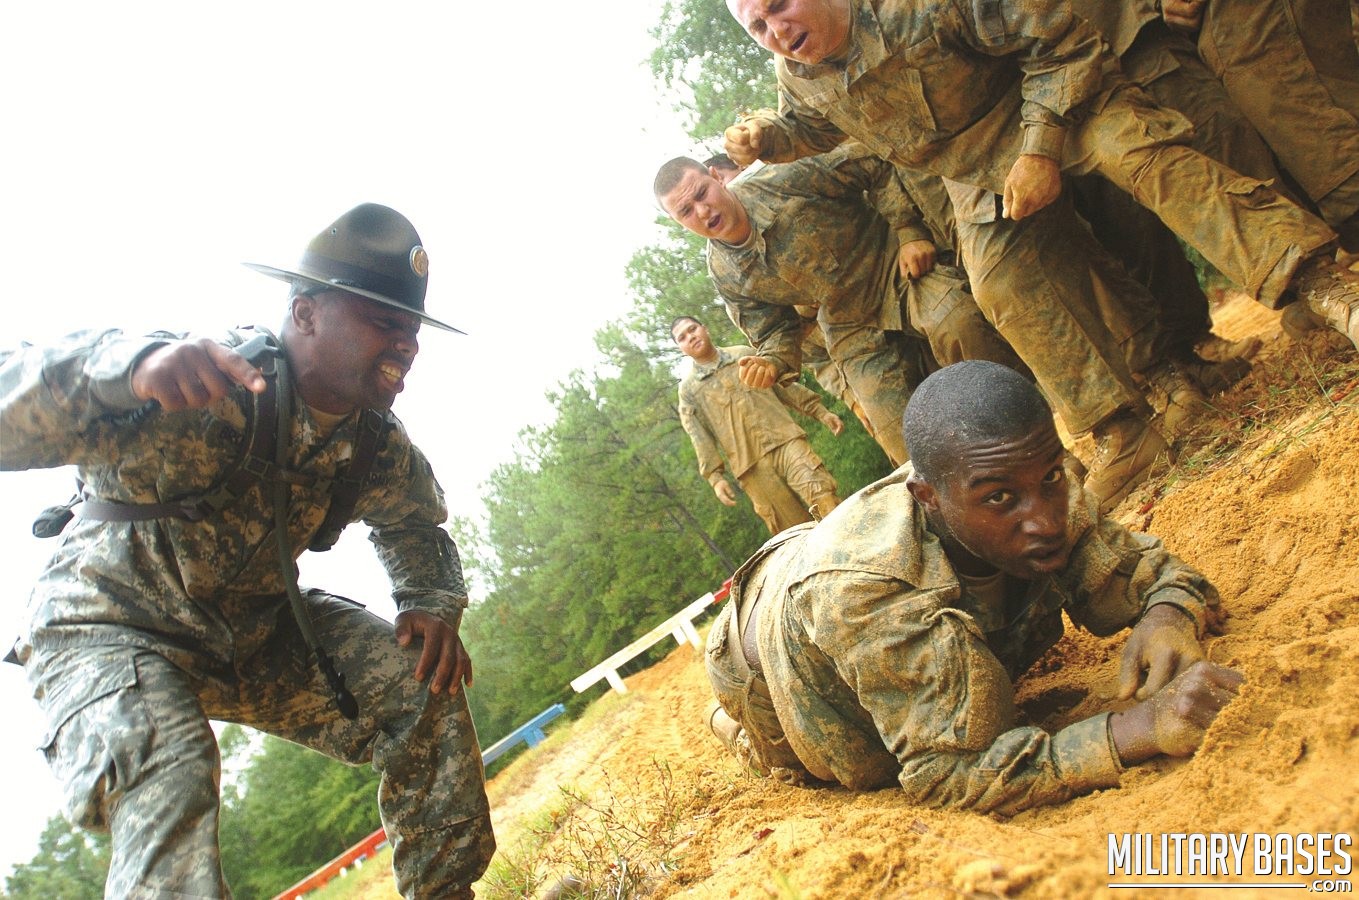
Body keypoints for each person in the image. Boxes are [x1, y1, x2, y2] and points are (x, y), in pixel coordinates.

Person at [0, 204, 494, 898]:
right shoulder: (199, 383)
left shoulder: (375, 442)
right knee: (169, 767)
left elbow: (416, 527)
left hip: (255, 634)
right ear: (304, 314)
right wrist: (128, 370)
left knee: (422, 686)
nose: (406, 343)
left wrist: (428, 602)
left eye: (411, 329)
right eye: (383, 321)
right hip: (108, 632)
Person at [705, 360, 1242, 813]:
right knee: (849, 761)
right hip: (760, 659)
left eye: (1051, 476)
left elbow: (1153, 573)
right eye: (1000, 498)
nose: (1047, 522)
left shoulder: (1029, 480)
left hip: (833, 559)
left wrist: (1167, 614)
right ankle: (730, 730)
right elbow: (949, 773)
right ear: (929, 496)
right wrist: (1140, 728)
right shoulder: (869, 594)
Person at [721, 0, 1359, 352]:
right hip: (981, 163)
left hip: (1065, 92)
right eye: (758, 27)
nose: (777, 31)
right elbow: (817, 126)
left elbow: (1060, 45)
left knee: (1155, 154)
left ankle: (1322, 286)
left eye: (781, 6)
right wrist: (769, 139)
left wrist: (1041, 149)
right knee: (1000, 277)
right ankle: (1132, 419)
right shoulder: (797, 73)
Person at [656, 148, 1020, 467]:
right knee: (900, 436)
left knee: (959, 323)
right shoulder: (723, 271)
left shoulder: (780, 177)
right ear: (678, 222)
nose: (702, 212)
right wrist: (771, 363)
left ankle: (1023, 428)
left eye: (702, 194)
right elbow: (773, 329)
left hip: (892, 266)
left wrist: (909, 230)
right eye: (686, 211)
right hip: (846, 323)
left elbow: (868, 163)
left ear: (717, 177)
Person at [673, 315, 843, 533]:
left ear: (704, 328)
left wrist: (819, 411)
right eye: (683, 337)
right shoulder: (689, 391)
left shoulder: (744, 355)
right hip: (751, 467)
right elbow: (697, 435)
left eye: (693, 328)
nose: (691, 336)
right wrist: (715, 477)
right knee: (792, 532)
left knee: (824, 496)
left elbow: (785, 385)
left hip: (786, 441)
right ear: (681, 348)